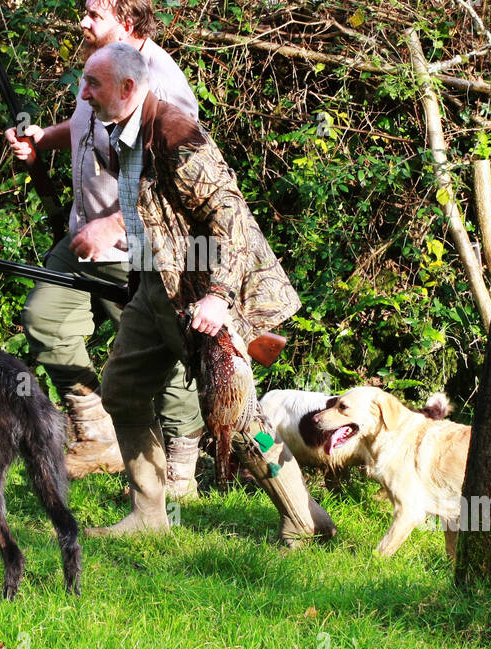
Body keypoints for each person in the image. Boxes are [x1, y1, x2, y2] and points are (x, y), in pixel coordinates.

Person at [79, 41, 336, 545]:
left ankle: (307, 521)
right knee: (123, 390)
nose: (82, 92)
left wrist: (218, 297)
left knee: (235, 417)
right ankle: (148, 515)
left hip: (209, 292)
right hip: (156, 288)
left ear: (128, 88)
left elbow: (229, 216)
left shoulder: (175, 133)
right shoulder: (122, 131)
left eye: (93, 84)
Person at [4, 0, 204, 500]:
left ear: (130, 24)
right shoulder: (101, 66)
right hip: (81, 237)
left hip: (140, 249)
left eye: (95, 15)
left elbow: (174, 177)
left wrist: (114, 225)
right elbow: (85, 124)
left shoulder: (162, 84)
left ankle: (183, 465)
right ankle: (96, 434)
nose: (83, 23)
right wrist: (41, 141)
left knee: (163, 352)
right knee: (46, 317)